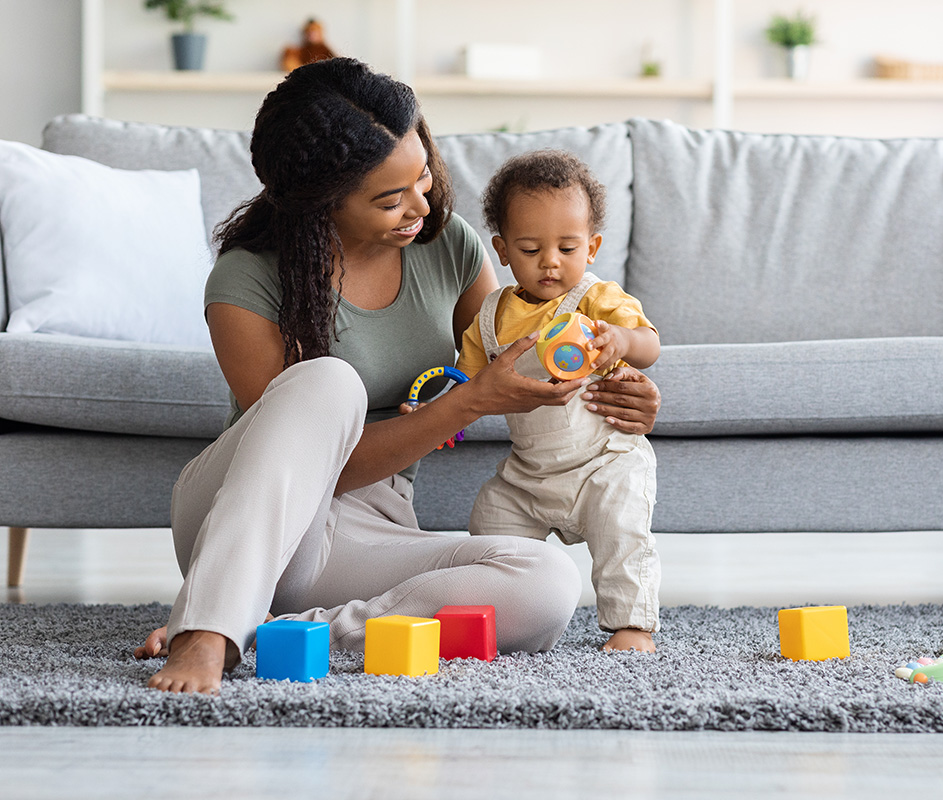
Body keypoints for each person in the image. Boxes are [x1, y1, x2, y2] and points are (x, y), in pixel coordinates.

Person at [132, 57, 661, 694]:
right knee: (327, 381)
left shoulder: (452, 247)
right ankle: (207, 630)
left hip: (374, 530)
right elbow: (315, 463)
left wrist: (616, 390)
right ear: (319, 202)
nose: (421, 206)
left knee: (548, 581)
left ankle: (297, 630)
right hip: (253, 517)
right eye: (391, 198)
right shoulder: (247, 278)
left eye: (423, 179)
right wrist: (468, 405)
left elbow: (518, 353)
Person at [455, 150, 662, 653]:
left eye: (567, 247)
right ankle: (494, 615)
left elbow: (649, 344)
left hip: (603, 463)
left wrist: (619, 341)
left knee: (622, 531)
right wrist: (438, 415)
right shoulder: (489, 317)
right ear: (502, 250)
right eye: (530, 249)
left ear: (590, 247)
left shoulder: (596, 299)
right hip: (528, 473)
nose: (550, 261)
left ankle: (630, 625)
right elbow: (464, 386)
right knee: (490, 518)